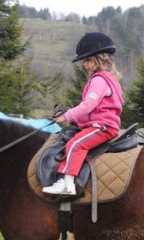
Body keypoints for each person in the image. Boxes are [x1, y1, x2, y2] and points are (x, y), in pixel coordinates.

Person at [43, 32, 124, 196]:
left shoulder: (99, 80)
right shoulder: (110, 79)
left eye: (88, 60)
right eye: (84, 61)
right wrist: (76, 121)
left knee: (75, 144)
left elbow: (88, 106)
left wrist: (66, 115)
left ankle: (67, 184)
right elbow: (95, 109)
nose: (85, 65)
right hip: (100, 124)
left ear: (101, 58)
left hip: (102, 127)